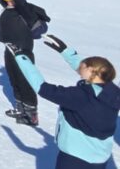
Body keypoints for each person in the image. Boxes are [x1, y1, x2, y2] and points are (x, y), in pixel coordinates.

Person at [9, 35, 119, 168]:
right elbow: (89, 68)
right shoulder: (112, 91)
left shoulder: (80, 96)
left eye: (83, 66)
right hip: (100, 158)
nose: (79, 68)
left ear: (91, 71)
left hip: (76, 158)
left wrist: (21, 57)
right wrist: (65, 51)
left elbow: (43, 88)